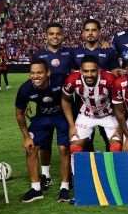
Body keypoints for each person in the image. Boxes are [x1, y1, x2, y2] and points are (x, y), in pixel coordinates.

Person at [15, 59, 71, 203]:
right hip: (42, 117)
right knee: (31, 148)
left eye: (39, 72)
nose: (36, 76)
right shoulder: (25, 89)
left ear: (48, 73)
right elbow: (19, 114)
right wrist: (26, 136)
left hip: (61, 116)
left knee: (64, 148)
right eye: (32, 73)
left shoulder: (60, 80)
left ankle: (64, 187)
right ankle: (36, 189)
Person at [32, 23, 74, 189]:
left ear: (62, 35)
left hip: (65, 104)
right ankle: (46, 174)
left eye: (58, 34)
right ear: (46, 35)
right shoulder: (39, 55)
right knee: (44, 142)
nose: (55, 36)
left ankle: (70, 175)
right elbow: (33, 78)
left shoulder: (69, 53)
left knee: (65, 143)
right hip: (43, 105)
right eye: (51, 33)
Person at [61, 56, 120, 154]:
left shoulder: (110, 79)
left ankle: (115, 169)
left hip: (108, 115)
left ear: (99, 70)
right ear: (80, 70)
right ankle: (78, 169)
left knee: (116, 146)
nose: (89, 74)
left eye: (93, 71)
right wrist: (71, 125)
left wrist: (119, 127)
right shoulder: (72, 79)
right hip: (86, 114)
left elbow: (120, 103)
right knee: (74, 147)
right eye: (86, 71)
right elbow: (65, 100)